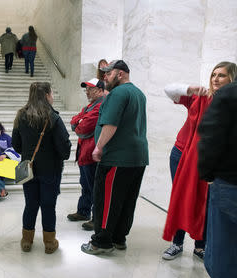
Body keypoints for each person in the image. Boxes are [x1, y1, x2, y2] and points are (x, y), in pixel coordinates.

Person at [162, 62, 237, 261]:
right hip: (181, 154)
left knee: (204, 202)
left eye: (221, 75)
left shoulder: (231, 104)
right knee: (180, 197)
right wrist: (189, 88)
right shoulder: (201, 97)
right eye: (214, 74)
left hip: (209, 160)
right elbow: (168, 90)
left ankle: (200, 246)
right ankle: (177, 243)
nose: (215, 79)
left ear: (232, 78)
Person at [81, 60, 149, 255]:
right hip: (138, 157)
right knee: (127, 200)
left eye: (108, 73)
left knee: (107, 199)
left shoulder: (118, 94)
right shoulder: (139, 93)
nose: (105, 77)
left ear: (120, 74)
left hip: (117, 157)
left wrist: (98, 147)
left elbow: (110, 124)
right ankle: (119, 238)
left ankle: (101, 242)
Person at [12, 82, 71, 254]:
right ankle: (49, 243)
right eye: (51, 93)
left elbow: (15, 145)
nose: (52, 96)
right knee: (48, 205)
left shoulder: (21, 116)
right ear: (46, 95)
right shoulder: (53, 118)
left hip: (28, 169)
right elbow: (64, 149)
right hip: (50, 170)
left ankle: (26, 241)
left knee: (30, 205)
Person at [198, 76, 237, 278]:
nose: (216, 79)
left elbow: (210, 139)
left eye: (221, 74)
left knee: (223, 262)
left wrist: (208, 175)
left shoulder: (230, 94)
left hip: (231, 187)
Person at [67, 79, 105, 231]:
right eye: (86, 89)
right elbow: (75, 122)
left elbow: (83, 128)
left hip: (92, 154)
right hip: (84, 153)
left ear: (100, 90)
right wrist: (79, 121)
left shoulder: (101, 106)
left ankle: (97, 219)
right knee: (86, 185)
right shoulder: (90, 106)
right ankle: (83, 211)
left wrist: (79, 122)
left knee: (95, 187)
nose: (87, 92)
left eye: (90, 89)